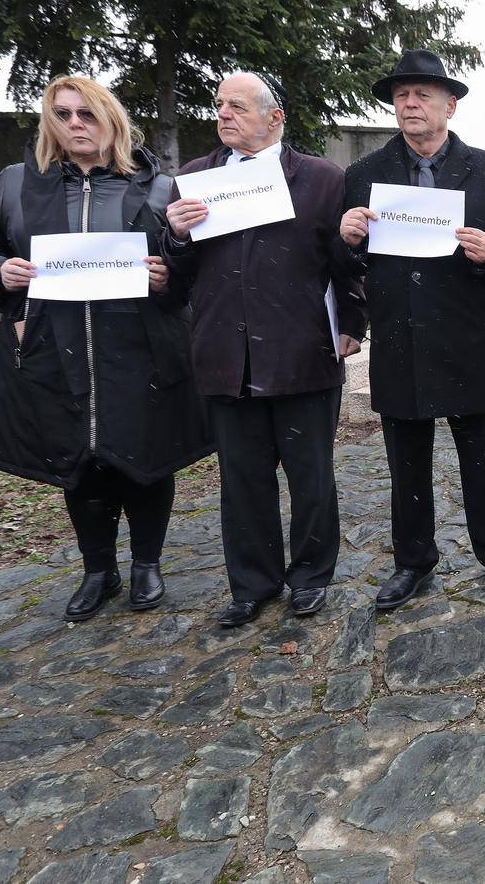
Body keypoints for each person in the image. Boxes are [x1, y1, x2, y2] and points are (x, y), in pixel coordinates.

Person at [0, 76, 213, 620]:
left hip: (140, 346)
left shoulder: (160, 186)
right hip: (56, 345)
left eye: (87, 114)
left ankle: (147, 564)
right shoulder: (17, 183)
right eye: (63, 114)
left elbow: (189, 270)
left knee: (146, 456)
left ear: (111, 120)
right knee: (79, 460)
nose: (75, 124)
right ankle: (99, 570)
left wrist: (169, 277)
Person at [164, 71, 367, 627]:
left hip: (301, 350)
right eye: (219, 106)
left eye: (237, 107)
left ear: (274, 118)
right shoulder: (193, 178)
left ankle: (310, 576)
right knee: (242, 479)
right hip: (226, 355)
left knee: (311, 475)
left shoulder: (324, 179)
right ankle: (252, 585)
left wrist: (352, 320)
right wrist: (174, 235)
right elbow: (178, 278)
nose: (223, 115)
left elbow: (344, 262)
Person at [338, 50, 485, 610]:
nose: (411, 104)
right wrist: (346, 237)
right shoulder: (364, 175)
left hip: (467, 339)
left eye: (423, 95)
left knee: (483, 457)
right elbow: (344, 264)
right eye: (402, 96)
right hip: (400, 338)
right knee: (406, 460)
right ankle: (413, 560)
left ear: (450, 105)